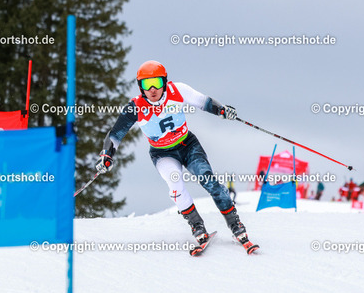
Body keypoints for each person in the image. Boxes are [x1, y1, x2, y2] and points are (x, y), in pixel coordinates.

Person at [95, 60, 258, 254]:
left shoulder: (178, 90)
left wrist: (222, 110)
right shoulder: (135, 107)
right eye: (147, 84)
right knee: (175, 184)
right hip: (162, 153)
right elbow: (115, 135)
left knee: (209, 180)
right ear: (140, 87)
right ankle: (197, 227)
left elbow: (204, 102)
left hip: (188, 145)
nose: (153, 89)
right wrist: (107, 155)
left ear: (164, 82)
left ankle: (236, 226)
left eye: (157, 82)